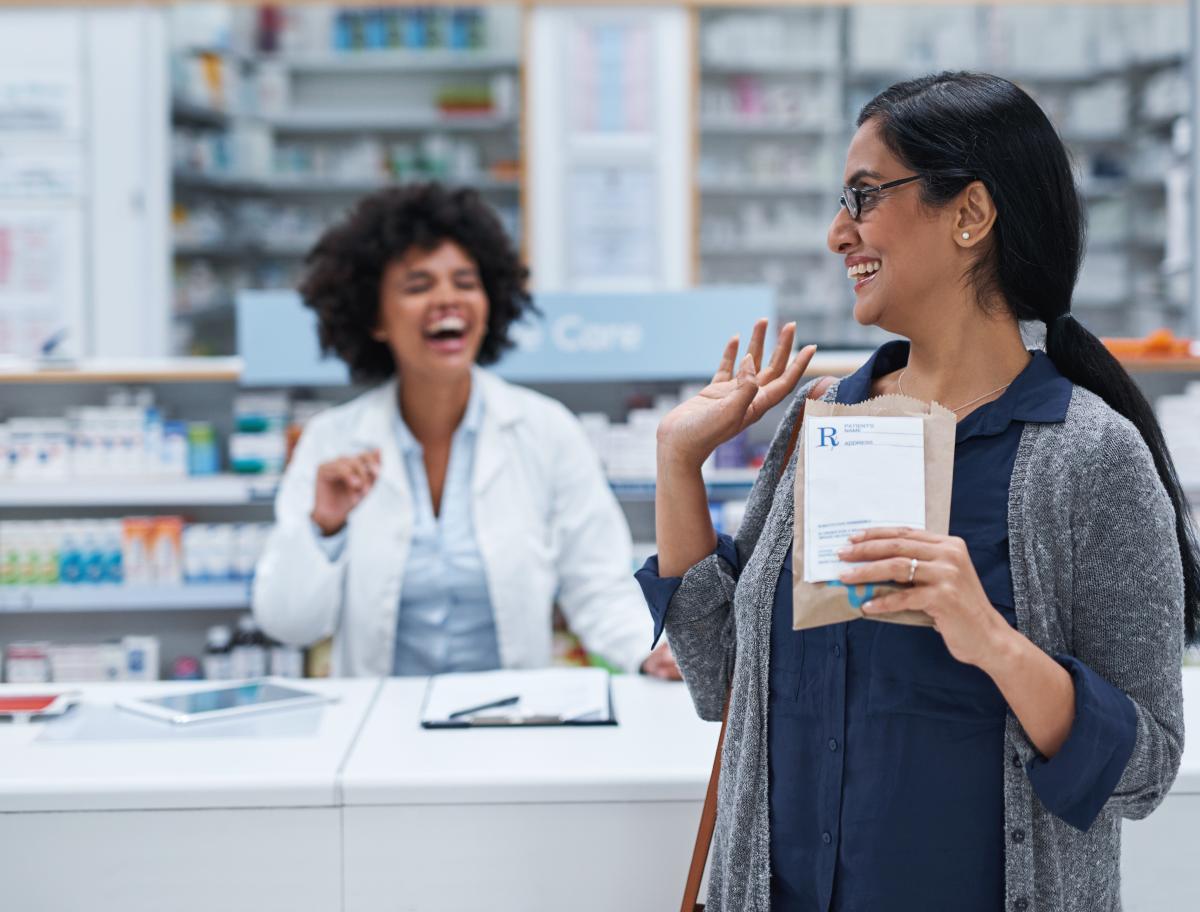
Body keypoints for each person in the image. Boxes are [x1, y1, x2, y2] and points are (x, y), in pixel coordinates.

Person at [639, 72, 1196, 911]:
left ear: (971, 214)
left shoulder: (1089, 457)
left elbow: (1144, 771)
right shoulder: (821, 420)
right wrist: (678, 464)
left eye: (863, 197)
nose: (837, 233)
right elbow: (724, 681)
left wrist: (990, 638)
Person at [254, 182, 678, 680]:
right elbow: (288, 624)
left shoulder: (545, 431)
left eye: (465, 281)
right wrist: (324, 527)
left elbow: (598, 585)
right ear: (374, 317)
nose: (447, 300)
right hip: (378, 733)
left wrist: (647, 650)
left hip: (511, 729)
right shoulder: (332, 440)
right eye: (418, 286)